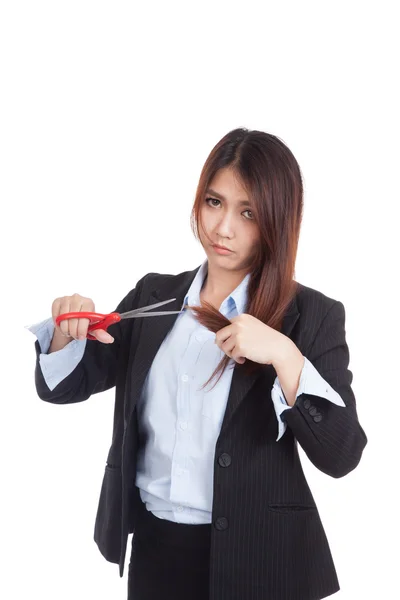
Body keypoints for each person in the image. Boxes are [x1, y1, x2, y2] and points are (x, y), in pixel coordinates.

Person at [29, 127, 368, 600]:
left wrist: (285, 355)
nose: (223, 227)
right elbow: (63, 386)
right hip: (155, 553)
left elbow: (342, 453)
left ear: (276, 220)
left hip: (262, 563)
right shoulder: (153, 296)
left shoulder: (311, 316)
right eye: (214, 202)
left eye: (247, 212)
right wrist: (66, 330)